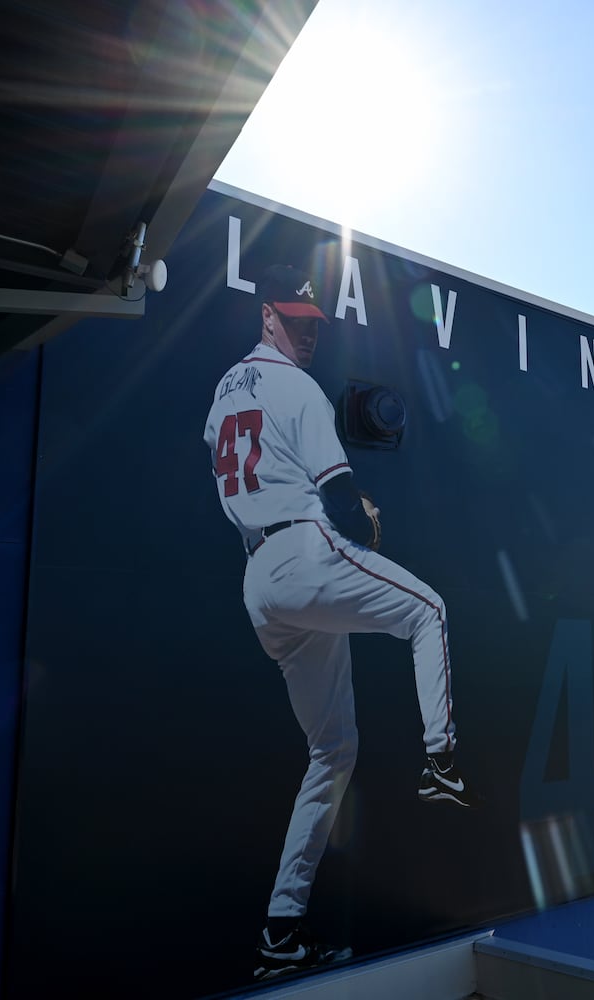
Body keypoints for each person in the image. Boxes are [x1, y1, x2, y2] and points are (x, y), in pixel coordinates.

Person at [202, 263, 479, 980]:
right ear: (267, 315)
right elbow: (336, 483)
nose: (306, 333)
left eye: (312, 324)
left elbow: (227, 454)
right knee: (428, 610)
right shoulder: (296, 387)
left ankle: (280, 932)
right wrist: (364, 508)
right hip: (299, 549)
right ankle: (441, 762)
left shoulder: (225, 390)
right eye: (294, 321)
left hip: (258, 582)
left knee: (331, 755)